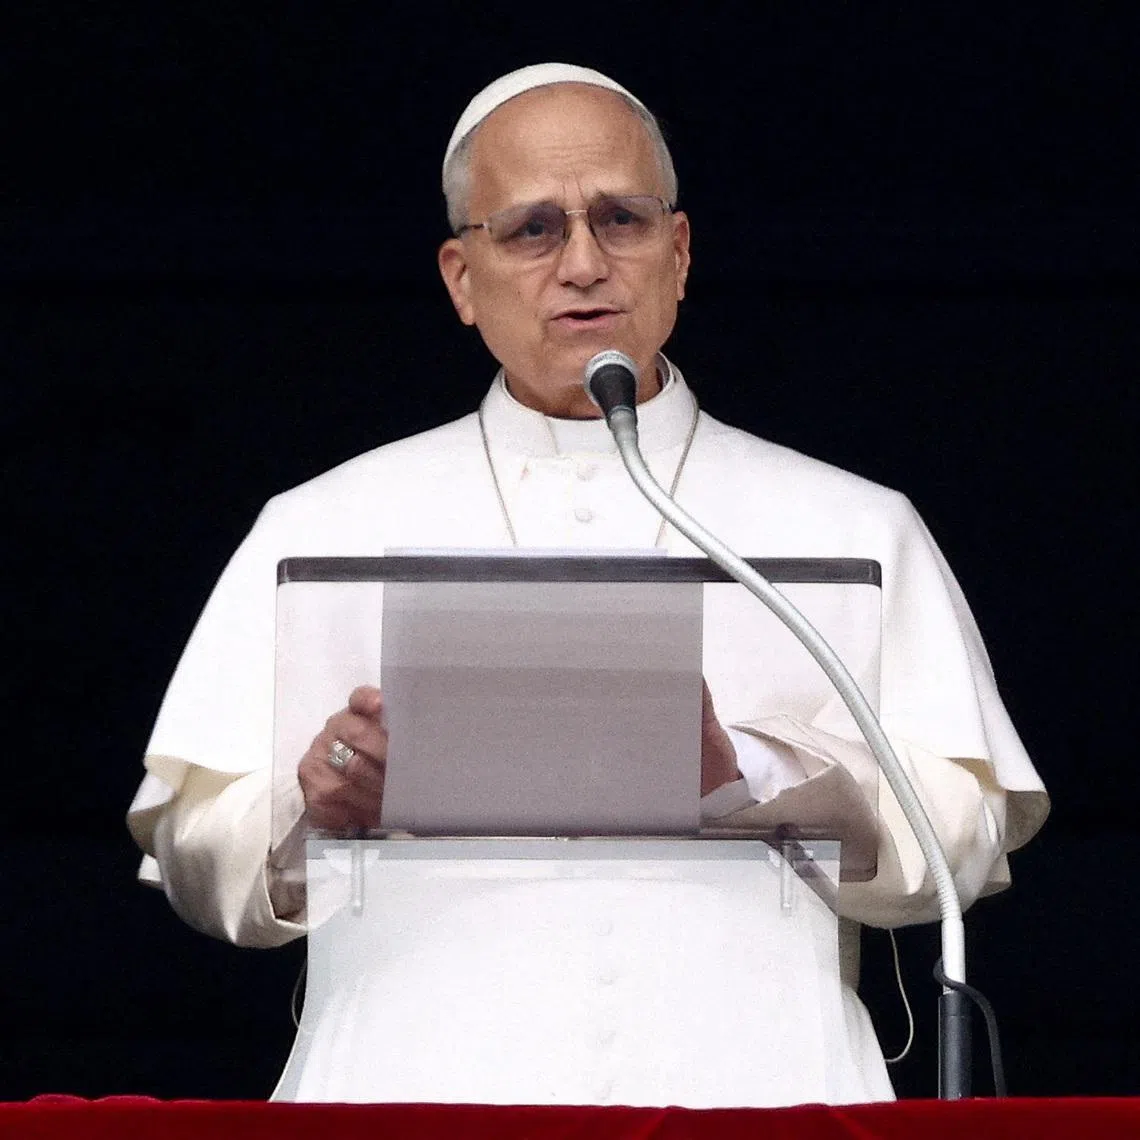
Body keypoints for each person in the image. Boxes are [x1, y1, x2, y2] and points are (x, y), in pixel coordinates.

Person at [128, 63, 1048, 1106]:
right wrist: (317, 805)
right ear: (461, 279)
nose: (582, 262)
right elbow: (195, 860)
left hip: (763, 1098)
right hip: (412, 1096)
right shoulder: (323, 524)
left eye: (622, 218)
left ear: (682, 252)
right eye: (529, 229)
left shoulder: (851, 523)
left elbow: (967, 842)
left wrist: (741, 772)